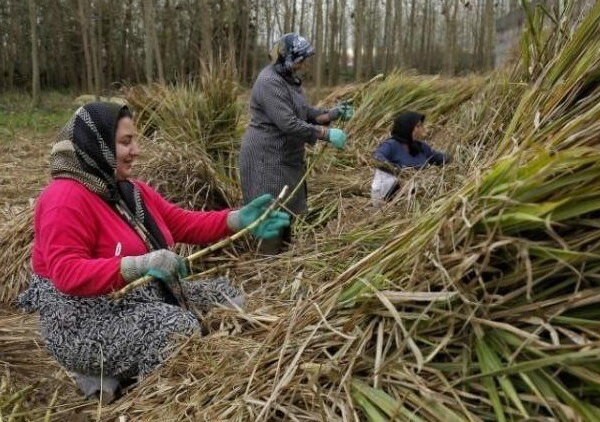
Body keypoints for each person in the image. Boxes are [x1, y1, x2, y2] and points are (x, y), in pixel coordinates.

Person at [17, 102, 290, 402]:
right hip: (79, 319)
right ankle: (137, 396)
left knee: (223, 295)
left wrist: (236, 220)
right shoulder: (64, 198)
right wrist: (138, 264)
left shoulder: (126, 191)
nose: (136, 150)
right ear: (96, 146)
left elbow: (181, 222)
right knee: (176, 328)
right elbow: (66, 273)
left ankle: (116, 368)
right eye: (125, 142)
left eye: (134, 140)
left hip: (130, 297)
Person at [239, 33, 352, 253]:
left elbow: (303, 112)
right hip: (266, 158)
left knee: (286, 211)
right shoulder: (268, 82)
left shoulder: (289, 79)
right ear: (286, 58)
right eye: (301, 59)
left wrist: (331, 114)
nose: (304, 64)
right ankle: (266, 266)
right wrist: (326, 134)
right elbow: (288, 122)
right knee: (271, 213)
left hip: (284, 157)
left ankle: (282, 259)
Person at [371, 111, 451, 206]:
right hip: (398, 197)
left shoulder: (420, 147)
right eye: (418, 126)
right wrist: (398, 173)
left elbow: (438, 157)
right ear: (407, 128)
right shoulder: (391, 145)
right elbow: (378, 157)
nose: (422, 129)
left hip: (422, 193)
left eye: (421, 126)